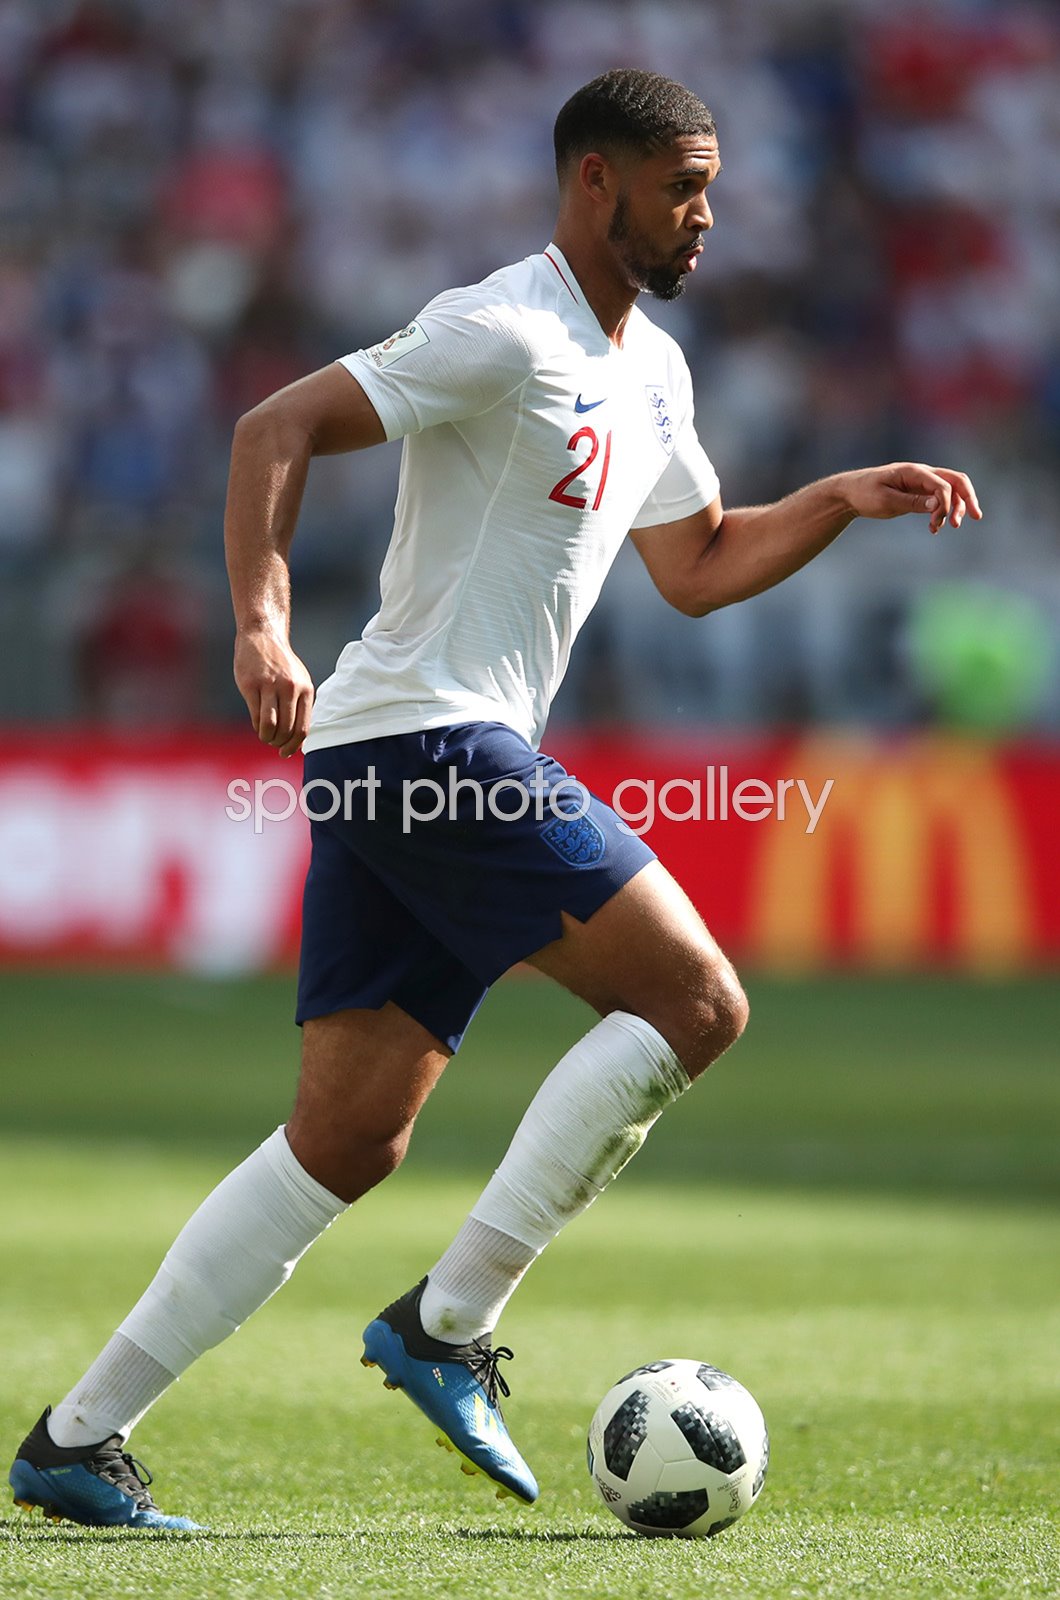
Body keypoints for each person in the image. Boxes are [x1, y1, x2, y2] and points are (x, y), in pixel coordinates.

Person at [9, 68, 981, 1530]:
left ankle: (78, 1439)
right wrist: (263, 627)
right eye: (681, 186)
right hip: (425, 741)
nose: (705, 215)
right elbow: (272, 429)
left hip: (403, 753)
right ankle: (447, 1323)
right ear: (596, 181)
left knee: (344, 1140)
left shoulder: (651, 370)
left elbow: (701, 562)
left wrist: (834, 501)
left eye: (710, 187)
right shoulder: (499, 324)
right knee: (698, 1003)